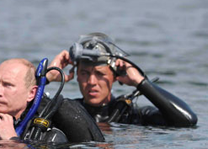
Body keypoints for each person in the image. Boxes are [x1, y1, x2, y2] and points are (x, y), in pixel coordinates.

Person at [48, 32, 198, 127]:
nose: (92, 82)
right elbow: (25, 107)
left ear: (114, 76)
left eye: (100, 74)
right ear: (76, 75)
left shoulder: (132, 116)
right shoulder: (67, 110)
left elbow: (187, 120)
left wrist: (140, 82)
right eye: (85, 73)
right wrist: (48, 77)